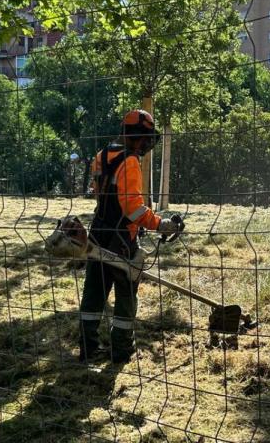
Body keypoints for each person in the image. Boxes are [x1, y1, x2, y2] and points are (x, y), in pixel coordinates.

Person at [79, 109, 180, 364]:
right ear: (135, 136)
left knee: (94, 292)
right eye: (145, 139)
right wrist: (160, 224)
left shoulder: (101, 155)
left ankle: (87, 347)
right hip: (121, 238)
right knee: (125, 296)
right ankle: (121, 349)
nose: (146, 145)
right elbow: (133, 209)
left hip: (98, 232)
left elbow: (99, 193)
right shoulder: (130, 161)